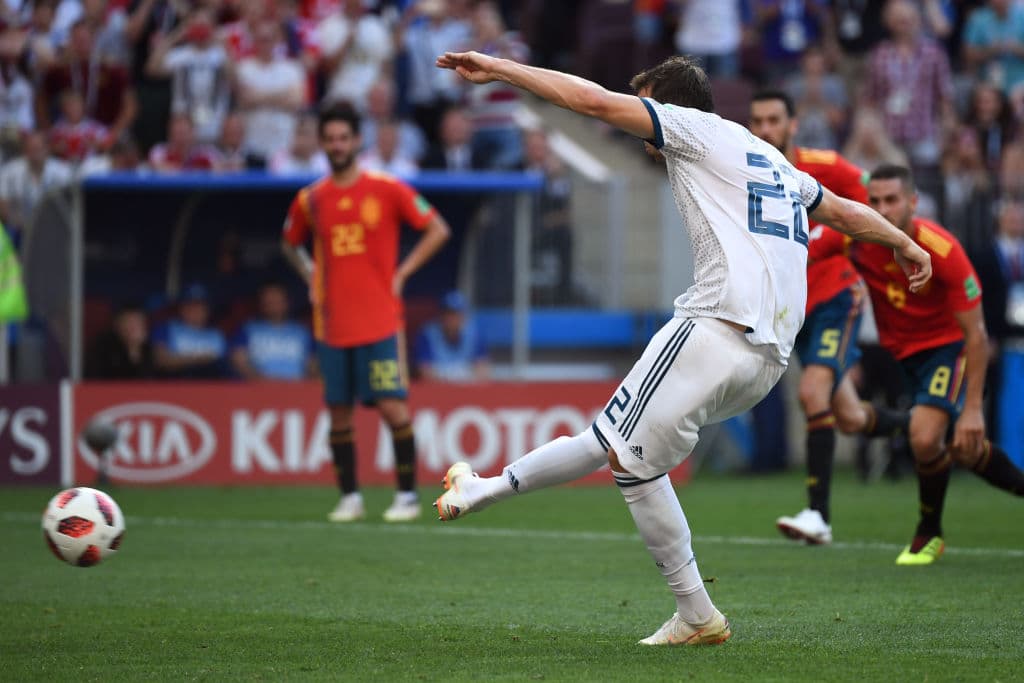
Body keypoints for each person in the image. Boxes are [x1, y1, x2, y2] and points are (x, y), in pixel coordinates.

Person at [431, 50, 931, 645]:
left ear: (667, 105)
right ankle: (482, 489)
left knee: (632, 462)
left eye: (645, 101)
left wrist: (502, 69)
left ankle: (696, 614)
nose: (639, 121)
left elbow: (588, 100)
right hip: (768, 358)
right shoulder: (770, 159)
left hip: (716, 325)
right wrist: (902, 241)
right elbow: (845, 211)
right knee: (613, 441)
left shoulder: (695, 131)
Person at [813, 164, 1024, 566]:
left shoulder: (942, 250)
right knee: (960, 449)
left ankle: (929, 533)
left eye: (892, 200)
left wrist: (974, 410)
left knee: (926, 438)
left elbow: (978, 335)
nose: (882, 208)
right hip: (896, 352)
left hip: (944, 351)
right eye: (874, 201)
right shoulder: (858, 239)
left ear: (912, 202)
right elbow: (813, 259)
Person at [749, 90, 912, 545]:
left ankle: (818, 516)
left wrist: (848, 241)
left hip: (836, 297)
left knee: (811, 390)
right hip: (792, 311)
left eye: (774, 120)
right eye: (757, 121)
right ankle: (920, 423)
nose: (765, 129)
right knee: (851, 417)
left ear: (792, 124)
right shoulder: (747, 172)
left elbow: (870, 204)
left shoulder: (823, 165)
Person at [281, 102, 450, 524]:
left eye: (344, 137)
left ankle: (408, 496)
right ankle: (350, 498)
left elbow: (437, 228)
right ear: (322, 144)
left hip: (379, 323)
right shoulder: (310, 199)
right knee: (339, 413)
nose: (338, 145)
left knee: (394, 410)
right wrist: (308, 271)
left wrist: (402, 273)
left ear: (357, 141)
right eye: (330, 139)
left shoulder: (387, 188)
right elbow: (289, 242)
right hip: (332, 324)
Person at [230, 281, 315, 380]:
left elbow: (313, 363)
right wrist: (263, 382)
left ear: (287, 302)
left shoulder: (302, 331)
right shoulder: (248, 329)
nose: (273, 305)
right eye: (269, 301)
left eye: (277, 300)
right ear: (261, 304)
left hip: (298, 388)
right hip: (259, 389)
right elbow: (239, 360)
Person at [151, 283, 227, 379]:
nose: (194, 310)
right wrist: (201, 360)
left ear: (208, 310)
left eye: (199, 306)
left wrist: (180, 360)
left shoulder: (217, 335)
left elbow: (224, 367)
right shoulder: (166, 328)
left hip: (209, 387)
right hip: (175, 386)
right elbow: (161, 360)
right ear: (181, 308)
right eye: (190, 305)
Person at [414, 290, 489, 382]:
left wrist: (459, 378)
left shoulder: (474, 333)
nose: (452, 319)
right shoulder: (427, 334)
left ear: (464, 316)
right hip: (438, 391)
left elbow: (483, 371)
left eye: (457, 314)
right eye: (448, 314)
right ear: (440, 315)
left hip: (466, 390)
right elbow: (424, 372)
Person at [85, 303, 155, 379]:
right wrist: (131, 348)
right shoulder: (102, 349)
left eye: (138, 323)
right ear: (117, 325)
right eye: (129, 323)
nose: (133, 329)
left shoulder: (151, 351)